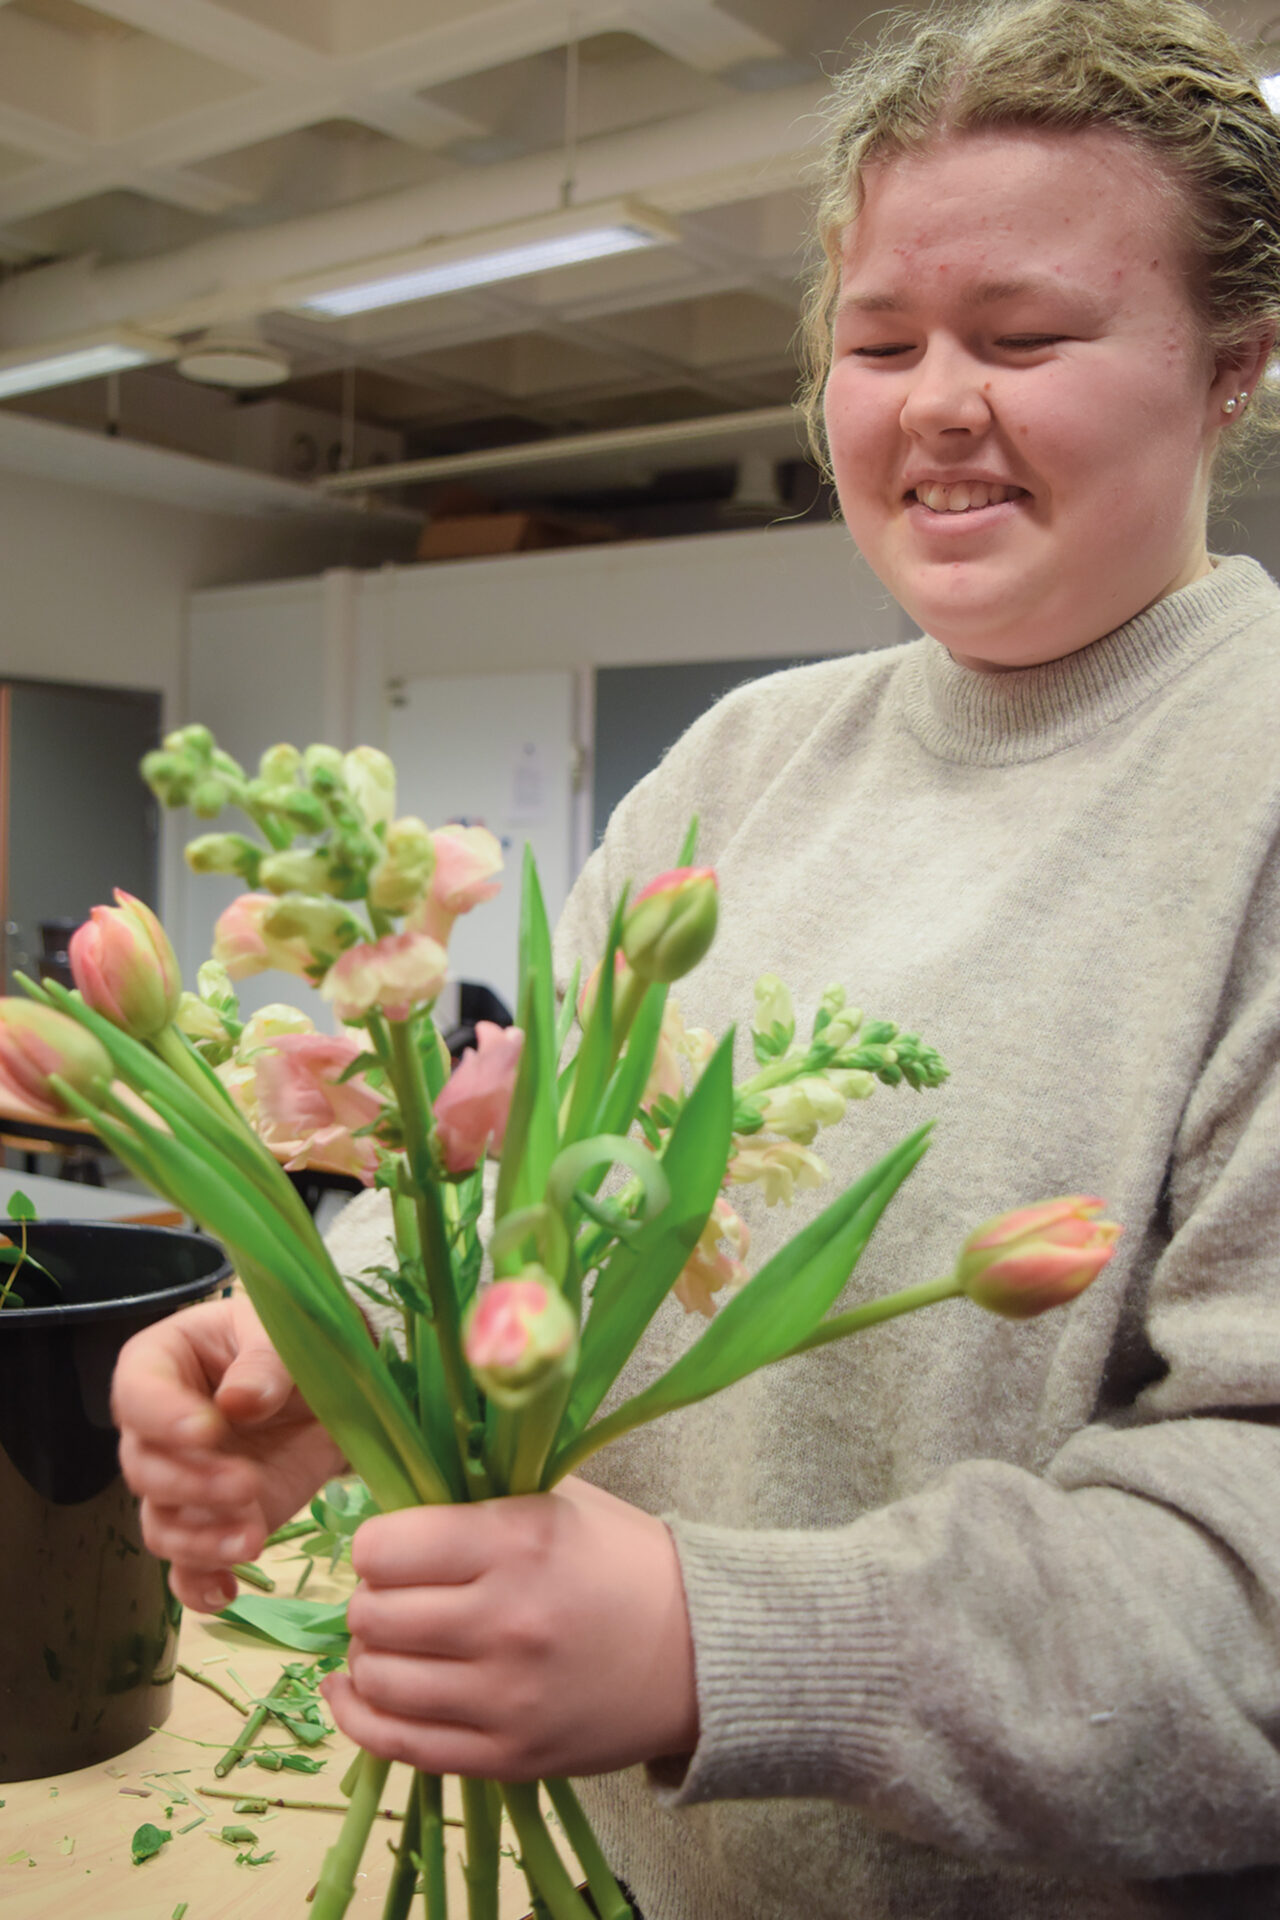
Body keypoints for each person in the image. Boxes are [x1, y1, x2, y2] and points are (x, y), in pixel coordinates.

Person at [111, 1, 1280, 1914]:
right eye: (879, 341)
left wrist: (712, 1640)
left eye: (1029, 337)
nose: (935, 402)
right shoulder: (740, 766)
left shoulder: (1254, 795)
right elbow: (536, 1214)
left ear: (1234, 363)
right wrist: (330, 1349)